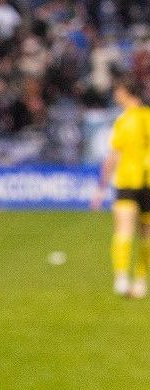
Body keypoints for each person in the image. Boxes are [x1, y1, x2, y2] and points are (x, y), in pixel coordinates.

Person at [94, 78, 150, 298]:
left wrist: (101, 187)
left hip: (128, 180)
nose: (116, 96)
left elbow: (113, 156)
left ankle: (121, 278)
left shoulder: (124, 121)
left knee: (123, 228)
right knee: (146, 235)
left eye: (118, 91)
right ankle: (141, 281)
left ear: (127, 92)